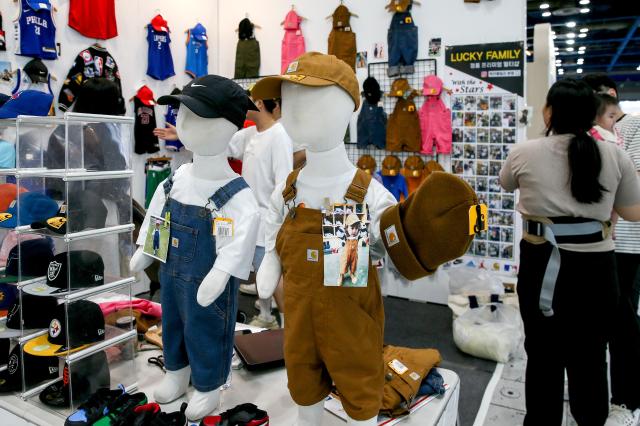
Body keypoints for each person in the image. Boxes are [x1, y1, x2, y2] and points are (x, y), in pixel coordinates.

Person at [499, 79, 640, 426]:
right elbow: (635, 212)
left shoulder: (524, 152)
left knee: (544, 356)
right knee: (591, 357)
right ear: (594, 115)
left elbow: (505, 183)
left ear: (549, 112)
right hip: (598, 269)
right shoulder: (615, 154)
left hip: (541, 264)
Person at [583, 73, 640, 426]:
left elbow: (629, 183)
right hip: (590, 244)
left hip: (627, 244)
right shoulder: (587, 133)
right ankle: (596, 396)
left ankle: (626, 401)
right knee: (594, 323)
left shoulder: (633, 127)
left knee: (623, 324)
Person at [227, 91, 293, 330]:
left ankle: (289, 326)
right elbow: (224, 147)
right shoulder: (250, 133)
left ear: (259, 104)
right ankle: (266, 315)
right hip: (252, 218)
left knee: (274, 277)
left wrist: (279, 222)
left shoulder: (279, 136)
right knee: (260, 273)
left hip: (269, 220)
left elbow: (284, 182)